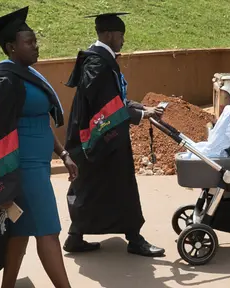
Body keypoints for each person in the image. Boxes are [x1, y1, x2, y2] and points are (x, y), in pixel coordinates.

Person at [0, 6, 76, 288]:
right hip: (23, 170)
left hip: (37, 166)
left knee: (20, 232)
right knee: (48, 232)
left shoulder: (28, 75)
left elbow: (41, 122)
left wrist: (62, 152)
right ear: (11, 47)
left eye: (35, 41)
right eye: (29, 42)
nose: (36, 47)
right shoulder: (5, 81)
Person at [63, 12, 165, 257]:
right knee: (120, 185)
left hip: (94, 135)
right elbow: (106, 104)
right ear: (108, 34)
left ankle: (75, 237)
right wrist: (138, 115)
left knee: (91, 184)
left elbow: (112, 99)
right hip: (102, 138)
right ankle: (134, 238)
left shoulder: (97, 59)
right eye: (121, 36)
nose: (123, 41)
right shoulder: (98, 63)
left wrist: (141, 108)